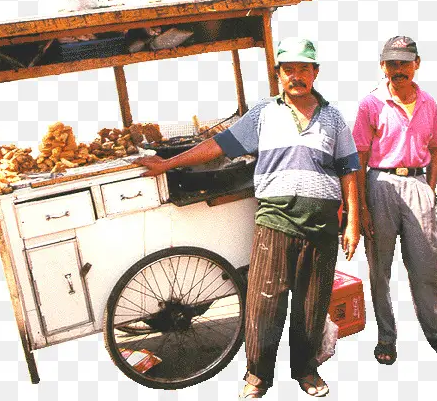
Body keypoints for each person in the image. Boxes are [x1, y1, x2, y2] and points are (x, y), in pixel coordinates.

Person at [136, 38, 360, 398]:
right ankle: (257, 378)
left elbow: (350, 169)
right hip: (275, 221)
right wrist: (167, 163)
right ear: (278, 75)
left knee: (312, 304)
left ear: (316, 73)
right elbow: (218, 146)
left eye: (304, 68)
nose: (296, 76)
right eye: (289, 69)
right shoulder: (263, 113)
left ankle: (306, 371)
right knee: (264, 303)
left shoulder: (333, 117)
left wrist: (352, 223)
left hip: (321, 225)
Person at [352, 36, 437, 365]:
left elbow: (435, 150)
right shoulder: (370, 104)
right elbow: (358, 156)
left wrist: (430, 189)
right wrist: (362, 208)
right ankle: (386, 337)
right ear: (382, 66)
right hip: (380, 184)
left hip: (416, 182)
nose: (398, 69)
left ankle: (436, 333)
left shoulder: (428, 103)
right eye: (392, 63)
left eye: (404, 62)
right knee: (380, 270)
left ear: (417, 64)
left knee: (427, 263)